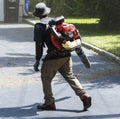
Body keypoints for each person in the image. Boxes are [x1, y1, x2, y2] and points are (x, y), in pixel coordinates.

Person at [33, 2, 92, 111]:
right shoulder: (56, 23)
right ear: (47, 13)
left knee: (45, 78)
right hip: (66, 55)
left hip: (52, 58)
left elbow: (39, 45)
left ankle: (49, 103)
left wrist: (37, 60)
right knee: (70, 76)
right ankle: (84, 95)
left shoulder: (39, 26)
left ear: (38, 15)